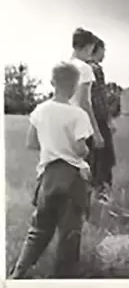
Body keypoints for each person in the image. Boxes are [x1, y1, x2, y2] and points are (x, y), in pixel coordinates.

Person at [9, 62, 94, 279]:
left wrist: (51, 144)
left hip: (47, 176)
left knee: (38, 230)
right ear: (75, 86)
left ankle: (18, 272)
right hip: (71, 177)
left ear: (52, 82)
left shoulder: (40, 110)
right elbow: (79, 149)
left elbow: (31, 142)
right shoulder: (78, 115)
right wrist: (82, 150)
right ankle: (63, 279)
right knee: (69, 234)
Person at [68, 28, 104, 194]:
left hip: (61, 123)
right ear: (89, 47)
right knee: (84, 170)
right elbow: (84, 102)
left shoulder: (62, 65)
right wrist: (96, 132)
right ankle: (82, 212)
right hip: (80, 126)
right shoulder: (85, 69)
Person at [86, 36, 117, 202]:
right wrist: (108, 120)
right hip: (98, 119)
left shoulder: (80, 68)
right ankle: (102, 195)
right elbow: (99, 98)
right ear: (96, 49)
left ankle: (89, 193)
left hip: (84, 120)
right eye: (103, 50)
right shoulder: (95, 69)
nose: (105, 54)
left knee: (90, 158)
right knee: (105, 157)